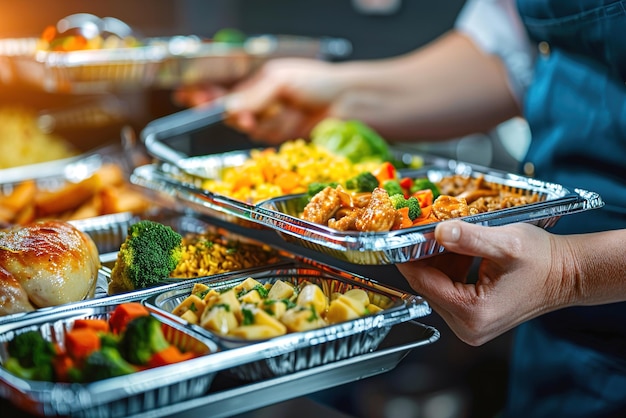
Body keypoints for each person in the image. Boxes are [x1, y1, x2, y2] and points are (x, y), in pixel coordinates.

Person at [175, 0, 626, 416]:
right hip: (552, 341)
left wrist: (573, 271)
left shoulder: (567, 272)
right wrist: (334, 96)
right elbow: (509, 56)